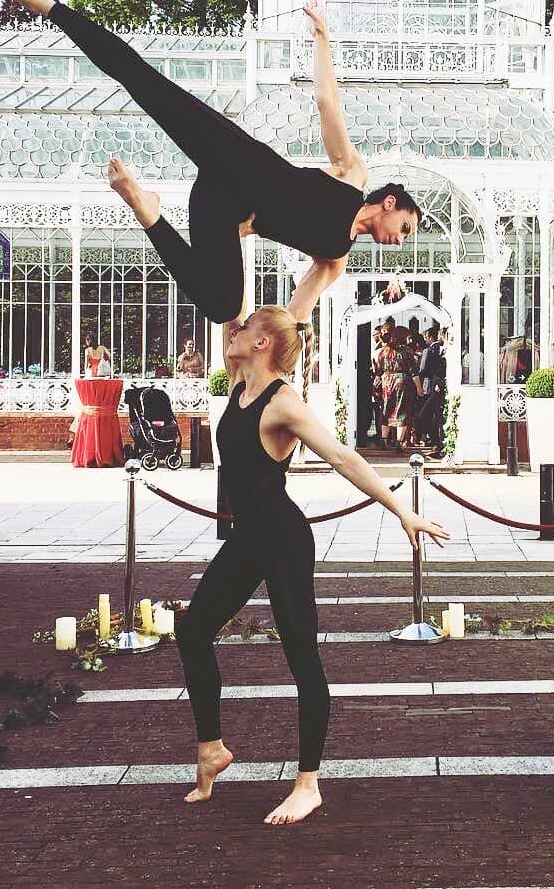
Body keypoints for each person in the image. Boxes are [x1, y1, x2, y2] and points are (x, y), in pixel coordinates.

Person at [0, 0, 423, 324]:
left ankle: (147, 210)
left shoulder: (335, 258)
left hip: (224, 209)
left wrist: (273, 354)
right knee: (143, 80)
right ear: (388, 203)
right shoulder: (352, 174)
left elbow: (292, 318)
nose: (400, 242)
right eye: (405, 227)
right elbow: (327, 100)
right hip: (238, 158)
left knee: (223, 307)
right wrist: (322, 39)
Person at [174, 303, 449, 825]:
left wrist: (402, 511)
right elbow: (275, 308)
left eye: (246, 326)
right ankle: (211, 749)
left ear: (261, 344)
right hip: (247, 539)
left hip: (282, 539)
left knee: (301, 657)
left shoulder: (284, 404)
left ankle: (308, 784)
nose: (234, 329)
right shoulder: (238, 381)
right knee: (192, 633)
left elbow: (344, 457)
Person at [376, 326, 417, 451]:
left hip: (386, 381)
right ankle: (399, 442)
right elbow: (414, 372)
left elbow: (378, 370)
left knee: (386, 410)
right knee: (401, 410)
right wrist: (419, 389)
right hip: (401, 381)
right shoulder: (406, 351)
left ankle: (383, 440)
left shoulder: (383, 351)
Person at [416, 327, 448, 459]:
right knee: (434, 416)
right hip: (436, 383)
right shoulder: (438, 349)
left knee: (432, 416)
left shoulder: (433, 349)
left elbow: (428, 369)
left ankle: (440, 445)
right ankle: (438, 444)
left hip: (436, 385)